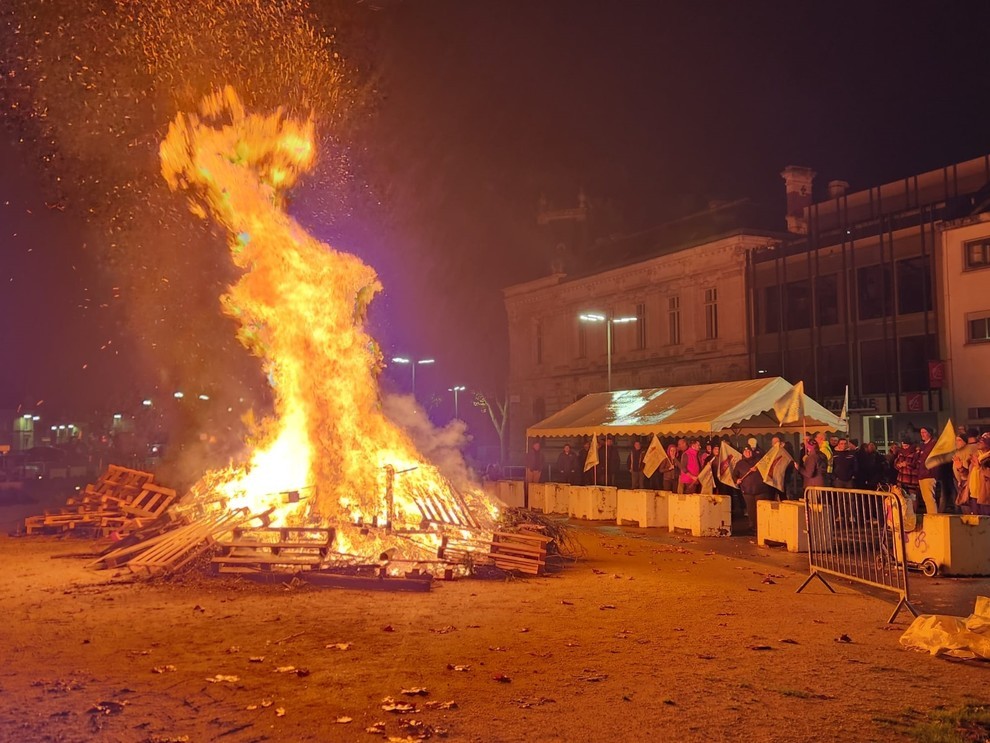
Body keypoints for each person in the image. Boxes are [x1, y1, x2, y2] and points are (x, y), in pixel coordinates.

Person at [734, 445, 769, 533]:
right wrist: (736, 480)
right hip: (747, 491)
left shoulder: (759, 461)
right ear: (743, 453)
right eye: (745, 451)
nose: (747, 453)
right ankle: (753, 526)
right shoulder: (739, 463)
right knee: (751, 510)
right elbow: (734, 475)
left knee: (760, 510)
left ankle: (762, 526)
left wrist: (758, 469)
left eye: (749, 451)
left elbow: (767, 469)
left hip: (760, 490)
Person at [955, 433, 990, 515]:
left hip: (986, 499)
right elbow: (969, 476)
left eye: (983, 440)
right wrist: (961, 469)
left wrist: (980, 467)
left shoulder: (987, 459)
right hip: (974, 497)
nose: (979, 441)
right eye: (979, 439)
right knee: (976, 525)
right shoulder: (977, 457)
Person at [915, 426, 939, 515]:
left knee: (929, 498)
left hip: (929, 474)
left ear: (930, 433)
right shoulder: (922, 445)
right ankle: (931, 515)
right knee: (926, 498)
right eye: (921, 433)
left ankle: (933, 516)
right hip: (922, 474)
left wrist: (928, 470)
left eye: (924, 432)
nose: (922, 434)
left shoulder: (933, 444)